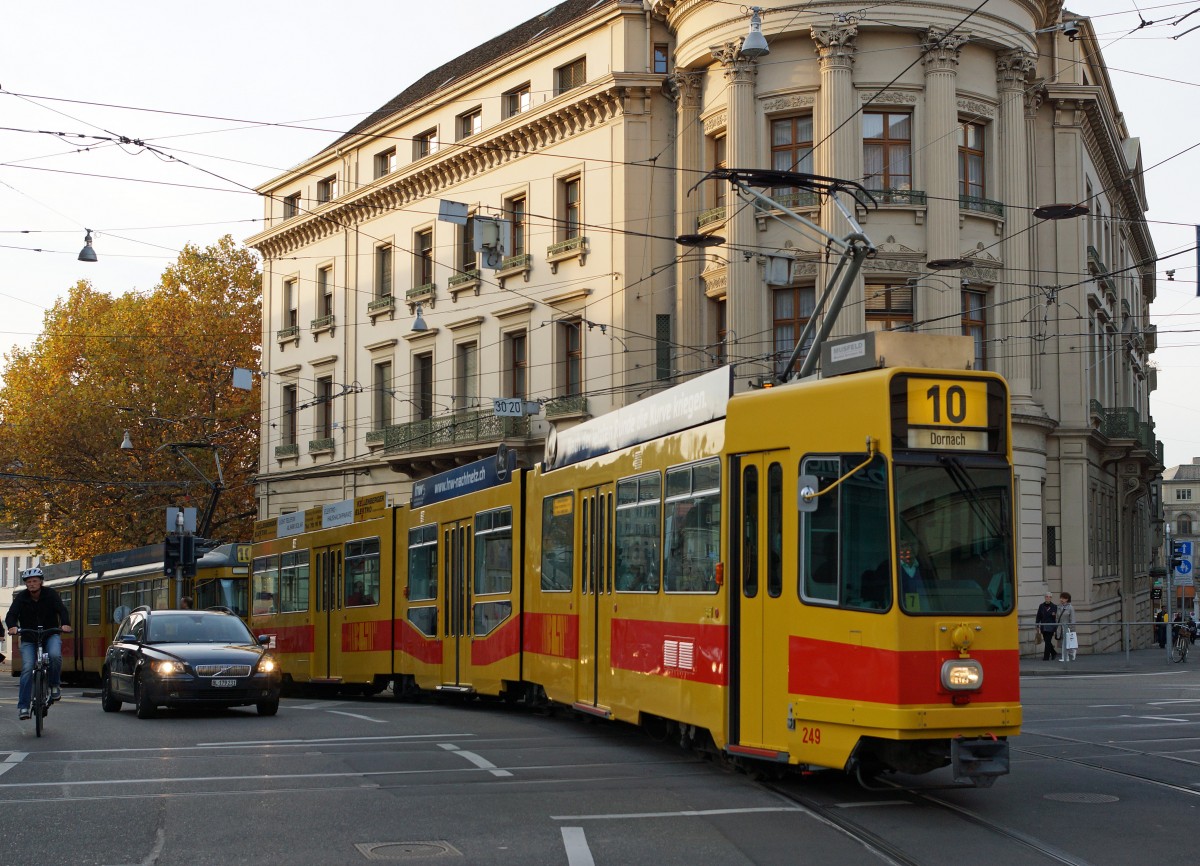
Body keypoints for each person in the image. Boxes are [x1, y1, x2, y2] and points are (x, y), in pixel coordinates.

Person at [4, 567, 73, 720]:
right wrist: (12, 626)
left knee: (54, 655)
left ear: (41, 582)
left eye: (35, 581)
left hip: (50, 634)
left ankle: (54, 685)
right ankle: (23, 707)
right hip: (29, 637)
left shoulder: (51, 594)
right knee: (27, 668)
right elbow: (11, 615)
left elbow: (62, 610)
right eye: (28, 582)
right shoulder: (21, 598)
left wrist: (65, 624)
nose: (32, 584)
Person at [898, 541, 927, 610]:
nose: (909, 548)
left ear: (918, 547)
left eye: (912, 544)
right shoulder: (887, 568)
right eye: (904, 545)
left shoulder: (926, 568)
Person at [1036, 592, 1058, 660]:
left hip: (1051, 626)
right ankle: (1053, 653)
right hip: (1043, 626)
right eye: (1047, 596)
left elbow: (1057, 617)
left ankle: (1046, 657)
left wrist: (1054, 615)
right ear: (1045, 597)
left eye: (1050, 597)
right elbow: (1038, 616)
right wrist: (1037, 625)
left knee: (1048, 641)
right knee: (1046, 641)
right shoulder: (1041, 606)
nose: (1048, 598)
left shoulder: (1054, 606)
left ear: (1051, 598)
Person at [1056, 591, 1077, 662]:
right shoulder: (1059, 607)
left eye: (1063, 598)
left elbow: (1072, 619)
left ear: (1067, 599)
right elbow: (1057, 618)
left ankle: (1065, 657)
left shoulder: (1070, 608)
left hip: (1067, 627)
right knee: (1063, 642)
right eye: (1061, 598)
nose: (1061, 599)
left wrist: (1071, 628)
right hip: (1060, 627)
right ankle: (1071, 652)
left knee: (1065, 642)